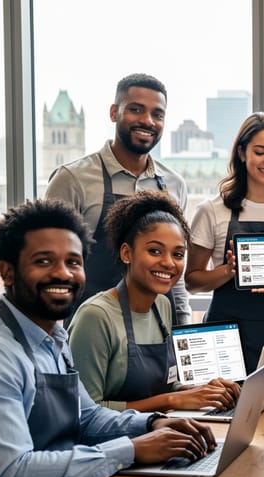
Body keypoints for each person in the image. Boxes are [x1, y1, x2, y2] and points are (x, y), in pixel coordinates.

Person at [0, 199, 214, 477]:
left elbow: (86, 415)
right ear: (7, 271)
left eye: (73, 262)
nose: (63, 274)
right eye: (43, 261)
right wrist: (131, 450)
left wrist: (151, 425)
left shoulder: (53, 336)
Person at [69, 191, 240, 412]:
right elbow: (85, 412)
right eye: (155, 251)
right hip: (114, 443)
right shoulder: (95, 317)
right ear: (126, 253)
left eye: (178, 254)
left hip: (157, 431)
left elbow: (166, 385)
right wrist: (172, 400)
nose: (169, 263)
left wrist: (201, 390)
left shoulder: (162, 306)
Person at [45, 73, 191, 324]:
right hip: (92, 331)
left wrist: (183, 328)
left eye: (157, 114)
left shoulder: (174, 185)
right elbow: (51, 267)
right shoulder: (72, 179)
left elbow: (174, 272)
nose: (148, 121)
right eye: (136, 110)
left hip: (158, 333)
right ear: (114, 112)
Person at [186, 113, 264, 383]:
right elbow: (192, 281)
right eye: (260, 151)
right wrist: (228, 271)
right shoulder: (211, 212)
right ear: (242, 153)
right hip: (226, 339)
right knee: (221, 419)